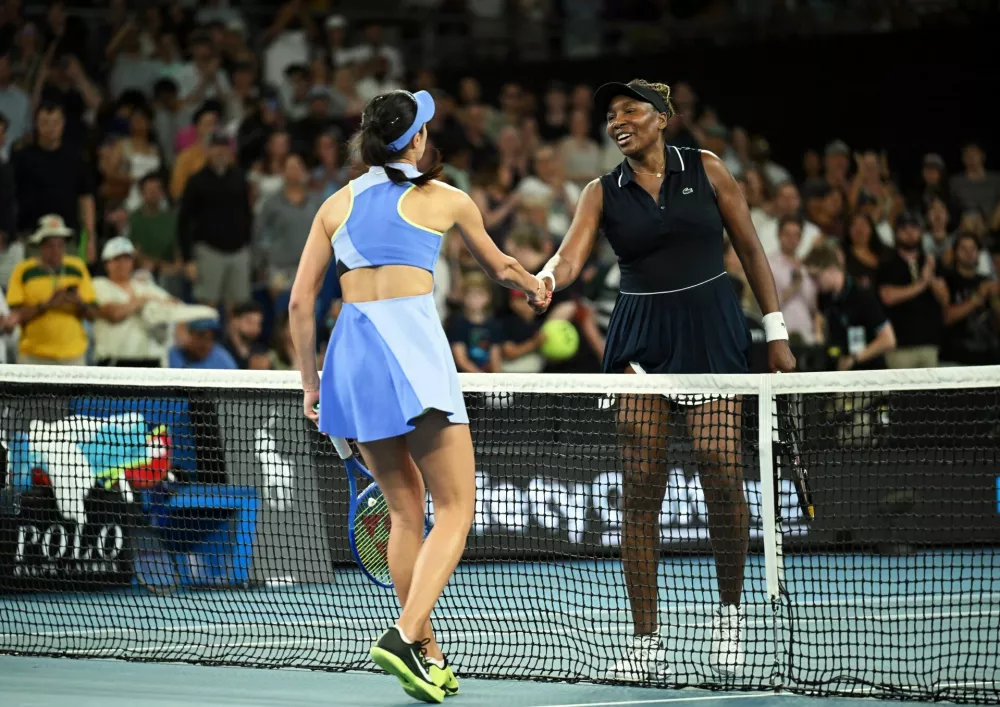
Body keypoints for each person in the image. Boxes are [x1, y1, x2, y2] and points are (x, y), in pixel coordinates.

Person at [287, 89, 547, 703]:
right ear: (417, 141)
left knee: (406, 512)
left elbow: (301, 303)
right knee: (455, 510)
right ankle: (404, 636)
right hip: (410, 350)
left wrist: (310, 383)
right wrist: (535, 287)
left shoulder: (334, 205)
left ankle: (427, 653)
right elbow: (501, 269)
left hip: (350, 356)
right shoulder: (446, 199)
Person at [532, 79, 796, 680]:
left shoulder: (706, 169)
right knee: (642, 481)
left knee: (721, 470)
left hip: (710, 331)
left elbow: (751, 248)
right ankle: (645, 637)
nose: (617, 121)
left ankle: (729, 616)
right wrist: (548, 277)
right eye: (610, 114)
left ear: (662, 117)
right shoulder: (601, 192)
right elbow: (571, 256)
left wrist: (776, 331)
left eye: (630, 110)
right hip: (640, 340)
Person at [6, 214, 96, 365]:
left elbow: (94, 314)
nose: (56, 250)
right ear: (40, 246)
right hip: (34, 354)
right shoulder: (24, 270)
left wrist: (79, 303)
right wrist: (47, 305)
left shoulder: (77, 267)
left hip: (73, 354)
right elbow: (15, 315)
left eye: (60, 244)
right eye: (50, 245)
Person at [804, 243, 897, 371]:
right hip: (841, 374)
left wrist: (854, 358)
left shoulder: (862, 296)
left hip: (870, 375)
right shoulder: (824, 297)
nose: (813, 283)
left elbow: (888, 340)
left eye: (816, 277)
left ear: (832, 269)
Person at [92, 236, 174, 367]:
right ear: (107, 263)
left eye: (127, 258)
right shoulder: (98, 284)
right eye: (117, 259)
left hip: (151, 361)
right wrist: (141, 302)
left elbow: (174, 305)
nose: (122, 263)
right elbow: (113, 314)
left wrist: (146, 302)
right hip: (115, 362)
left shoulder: (144, 284)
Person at [940, 232, 1000, 366]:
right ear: (955, 253)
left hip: (988, 356)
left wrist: (995, 300)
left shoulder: (987, 281)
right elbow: (946, 317)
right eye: (964, 249)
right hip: (956, 357)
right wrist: (977, 298)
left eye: (973, 249)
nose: (969, 253)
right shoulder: (947, 280)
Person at [167, 318, 237, 369]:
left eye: (211, 338)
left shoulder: (223, 360)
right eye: (201, 336)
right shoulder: (172, 356)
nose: (205, 343)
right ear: (190, 335)